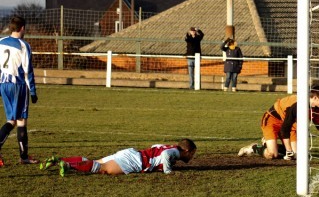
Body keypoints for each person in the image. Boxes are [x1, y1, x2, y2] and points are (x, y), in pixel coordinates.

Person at [238, 85, 319, 160]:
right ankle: (254, 147)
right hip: (272, 120)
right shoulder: (297, 105)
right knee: (272, 154)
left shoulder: (316, 106)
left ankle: (267, 143)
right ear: (314, 98)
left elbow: (317, 122)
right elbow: (285, 128)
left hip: (288, 123)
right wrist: (288, 151)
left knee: (297, 156)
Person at [40, 138, 197, 177]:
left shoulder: (169, 146)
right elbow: (165, 155)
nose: (191, 157)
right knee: (103, 169)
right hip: (135, 161)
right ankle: (67, 166)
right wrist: (168, 171)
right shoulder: (174, 152)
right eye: (192, 154)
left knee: (96, 161)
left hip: (131, 153)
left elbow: (156, 147)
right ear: (187, 150)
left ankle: (60, 160)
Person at [0, 16, 39, 167]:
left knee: (11, 120)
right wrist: (33, 92)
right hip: (18, 85)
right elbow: (28, 71)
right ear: (22, 28)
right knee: (21, 120)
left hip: (3, 84)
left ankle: (24, 156)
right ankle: (24, 157)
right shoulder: (24, 45)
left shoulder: (1, 42)